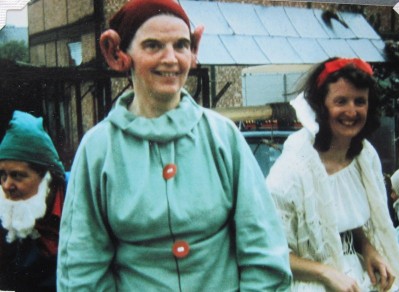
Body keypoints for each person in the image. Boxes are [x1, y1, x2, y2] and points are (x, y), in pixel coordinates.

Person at [57, 0, 292, 291]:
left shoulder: (223, 137)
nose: (170, 58)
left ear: (192, 52)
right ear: (121, 53)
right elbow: (81, 265)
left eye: (180, 45)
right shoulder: (98, 149)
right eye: (153, 45)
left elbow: (264, 249)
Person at [266, 57, 399, 291]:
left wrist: (368, 248)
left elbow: (343, 222)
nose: (351, 111)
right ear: (321, 106)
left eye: (360, 101)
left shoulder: (365, 158)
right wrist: (326, 272)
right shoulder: (292, 170)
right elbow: (268, 250)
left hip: (359, 282)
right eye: (341, 101)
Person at [0, 110, 66, 292]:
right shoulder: (5, 214)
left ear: (47, 176)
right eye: (2, 175)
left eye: (17, 176)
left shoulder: (79, 197)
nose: (6, 185)